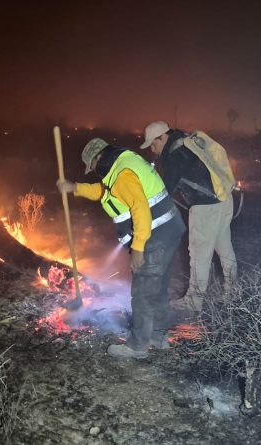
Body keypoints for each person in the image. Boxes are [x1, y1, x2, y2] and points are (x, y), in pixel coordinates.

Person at [57, 138, 185, 359]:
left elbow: (140, 209)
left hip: (154, 235)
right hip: (169, 229)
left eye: (93, 166)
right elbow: (105, 191)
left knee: (143, 292)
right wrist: (75, 187)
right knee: (158, 286)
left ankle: (138, 346)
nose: (95, 171)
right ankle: (157, 336)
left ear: (99, 158)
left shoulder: (122, 175)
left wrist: (138, 248)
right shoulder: (123, 164)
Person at [140, 121, 237, 312]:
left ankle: (194, 300)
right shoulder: (188, 142)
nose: (153, 149)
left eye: (154, 144)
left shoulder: (175, 155)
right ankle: (232, 292)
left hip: (205, 208)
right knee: (225, 249)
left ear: (163, 137)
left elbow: (165, 192)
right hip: (224, 199)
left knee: (199, 254)